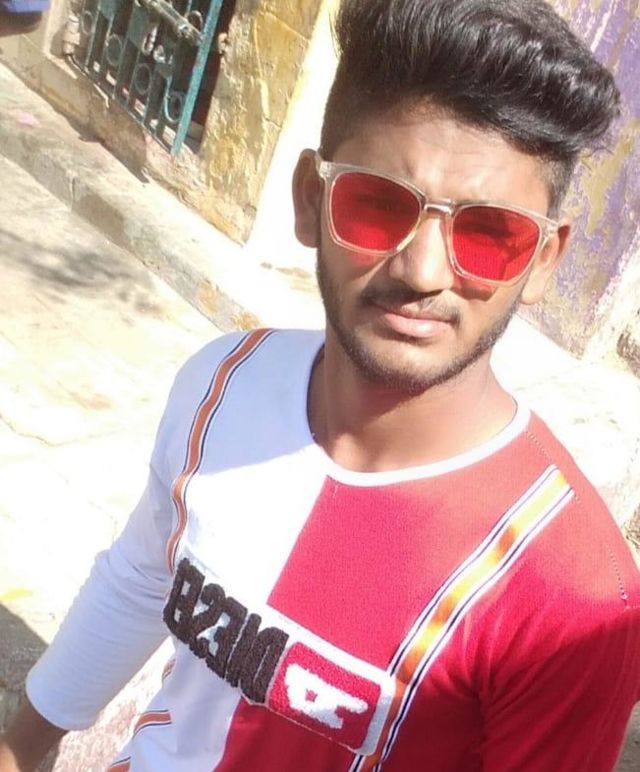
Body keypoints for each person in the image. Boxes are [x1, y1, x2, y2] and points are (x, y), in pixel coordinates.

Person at [2, 0, 640, 769]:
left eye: (489, 234)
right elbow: (143, 575)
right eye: (378, 205)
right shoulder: (224, 382)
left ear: (542, 261)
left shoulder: (571, 593)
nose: (423, 270)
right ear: (311, 199)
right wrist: (21, 746)